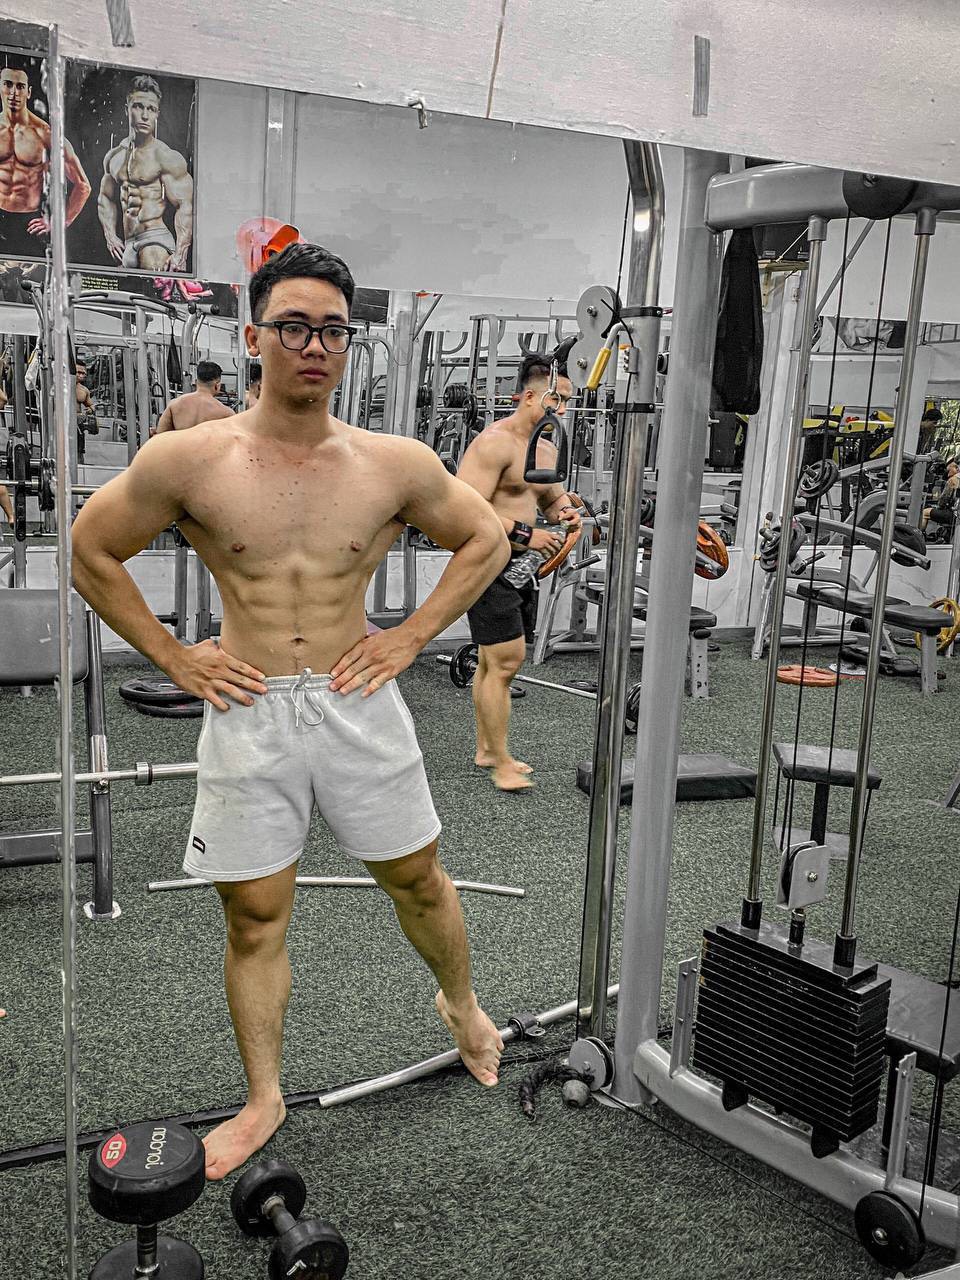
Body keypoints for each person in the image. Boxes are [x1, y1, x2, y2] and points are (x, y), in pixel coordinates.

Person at [72, 241, 510, 1181]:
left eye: (333, 331)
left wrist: (412, 637)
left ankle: (461, 1004)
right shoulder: (189, 459)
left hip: (358, 699)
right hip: (250, 703)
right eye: (295, 327)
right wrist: (175, 657)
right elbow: (89, 550)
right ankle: (263, 1096)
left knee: (419, 879)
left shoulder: (393, 463)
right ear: (254, 337)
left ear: (350, 344)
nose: (315, 346)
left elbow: (486, 538)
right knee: (254, 916)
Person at [457, 353, 582, 792]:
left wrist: (564, 511)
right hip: (487, 562)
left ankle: (487, 749)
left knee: (492, 661)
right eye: (556, 399)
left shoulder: (544, 447)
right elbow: (465, 511)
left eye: (566, 401)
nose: (562, 409)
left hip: (520, 568)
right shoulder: (493, 444)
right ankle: (501, 763)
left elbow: (550, 497)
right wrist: (527, 533)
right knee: (506, 661)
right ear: (529, 397)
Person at [97, 75, 194, 272]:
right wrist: (110, 236)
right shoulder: (114, 156)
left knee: (152, 290)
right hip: (128, 244)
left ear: (157, 114)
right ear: (127, 109)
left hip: (155, 241)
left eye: (151, 109)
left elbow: (185, 206)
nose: (144, 115)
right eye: (138, 106)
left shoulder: (165, 156)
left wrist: (180, 254)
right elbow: (105, 198)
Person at [0, 59, 91, 246]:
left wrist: (61, 222)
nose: (14, 93)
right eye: (8, 84)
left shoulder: (46, 134)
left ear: (28, 92)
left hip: (30, 223)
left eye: (20, 86)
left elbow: (83, 186)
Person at [155, 361, 235, 433]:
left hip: (182, 444)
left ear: (196, 382)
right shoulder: (227, 413)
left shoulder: (174, 404)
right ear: (217, 385)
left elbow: (160, 435)